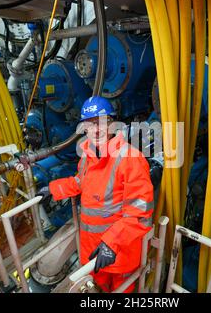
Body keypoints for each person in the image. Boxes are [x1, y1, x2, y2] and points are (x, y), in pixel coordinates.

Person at [40, 96, 154, 293]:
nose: (96, 129)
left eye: (101, 122)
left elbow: (139, 213)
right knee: (94, 290)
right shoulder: (88, 156)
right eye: (90, 124)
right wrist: (53, 189)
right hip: (92, 251)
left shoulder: (131, 158)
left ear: (112, 124)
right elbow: (79, 182)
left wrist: (111, 244)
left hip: (119, 251)